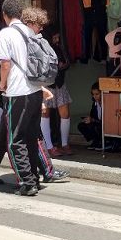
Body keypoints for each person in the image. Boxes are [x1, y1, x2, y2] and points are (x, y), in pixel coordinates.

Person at [0, 0, 43, 196]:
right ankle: (32, 177)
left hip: (17, 92)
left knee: (15, 139)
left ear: (4, 15)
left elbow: (5, 63)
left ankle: (27, 181)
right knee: (30, 136)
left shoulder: (6, 33)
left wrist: (2, 84)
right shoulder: (30, 31)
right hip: (35, 90)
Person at [42, 25, 73, 156]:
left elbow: (67, 61)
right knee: (45, 113)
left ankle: (65, 144)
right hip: (47, 84)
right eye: (54, 36)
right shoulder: (43, 48)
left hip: (60, 84)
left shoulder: (60, 47)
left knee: (65, 113)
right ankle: (48, 146)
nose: (57, 39)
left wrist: (63, 65)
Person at [78, 82, 104, 148]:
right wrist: (88, 119)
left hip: (104, 126)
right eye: (93, 94)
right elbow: (92, 115)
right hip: (97, 123)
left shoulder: (107, 103)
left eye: (97, 94)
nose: (94, 96)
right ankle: (95, 141)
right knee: (81, 126)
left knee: (96, 127)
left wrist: (93, 120)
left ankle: (102, 142)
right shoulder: (95, 104)